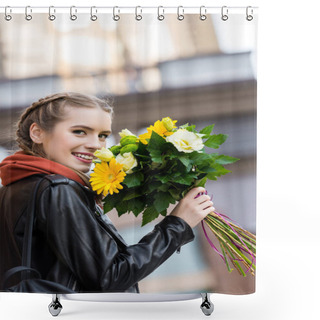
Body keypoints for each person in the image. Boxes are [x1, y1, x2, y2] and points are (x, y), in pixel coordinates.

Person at [0, 92, 214, 293]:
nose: (95, 145)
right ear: (37, 133)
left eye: (102, 136)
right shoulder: (59, 189)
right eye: (79, 131)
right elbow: (110, 278)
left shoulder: (11, 189)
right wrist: (178, 223)